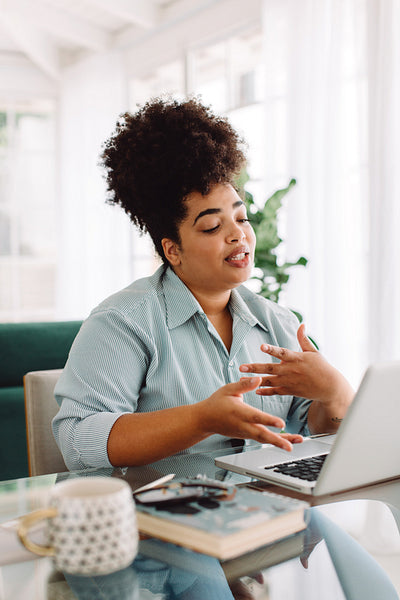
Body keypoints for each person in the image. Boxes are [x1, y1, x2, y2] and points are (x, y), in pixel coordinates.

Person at [52, 97, 354, 472]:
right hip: (167, 520)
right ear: (173, 250)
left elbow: (317, 429)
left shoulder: (278, 322)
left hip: (274, 514)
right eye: (212, 226)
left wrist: (335, 393)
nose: (237, 235)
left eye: (241, 218)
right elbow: (78, 442)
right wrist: (201, 420)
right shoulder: (123, 321)